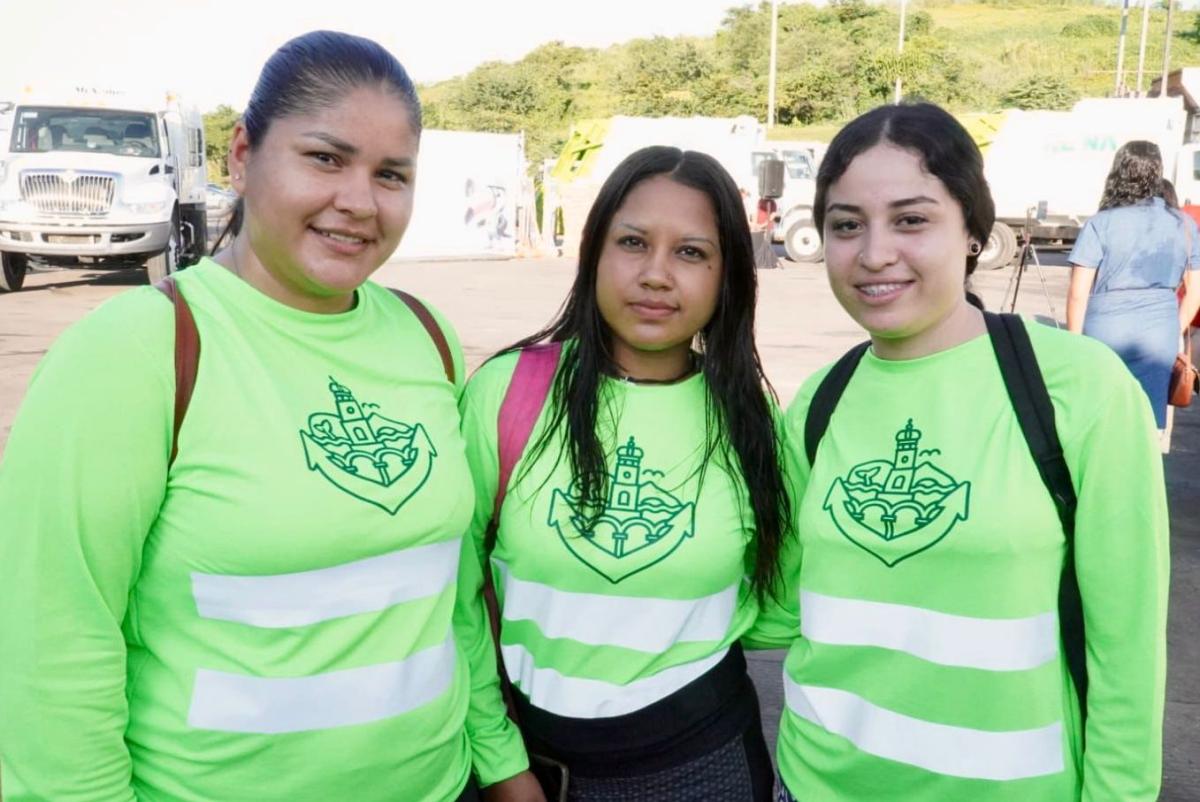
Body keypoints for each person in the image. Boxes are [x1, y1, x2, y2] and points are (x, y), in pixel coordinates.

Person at [0, 31, 524, 802]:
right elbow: (51, 651)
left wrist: (501, 765)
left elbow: (447, 599)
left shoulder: (427, 336)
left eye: (391, 175)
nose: (358, 201)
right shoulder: (134, 352)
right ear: (242, 155)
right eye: (324, 158)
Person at [758, 102, 1169, 801]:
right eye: (846, 225)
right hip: (815, 781)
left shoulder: (1078, 387)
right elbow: (777, 607)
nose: (875, 253)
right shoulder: (821, 400)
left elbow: (1126, 646)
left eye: (912, 219)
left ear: (974, 230)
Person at [458, 146, 792, 801]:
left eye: (692, 252)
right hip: (530, 766)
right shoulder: (509, 391)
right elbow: (455, 591)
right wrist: (500, 763)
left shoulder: (750, 418)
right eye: (633, 242)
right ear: (594, 252)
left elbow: (778, 604)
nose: (657, 275)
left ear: (728, 276)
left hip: (704, 764)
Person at [1066, 140, 1200, 431]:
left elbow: (1078, 295)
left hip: (1104, 330)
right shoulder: (1184, 225)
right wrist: (1173, 329)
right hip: (1158, 334)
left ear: (1118, 172)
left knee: (1098, 415)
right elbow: (1196, 292)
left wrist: (1074, 344)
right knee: (1144, 421)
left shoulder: (1100, 224)